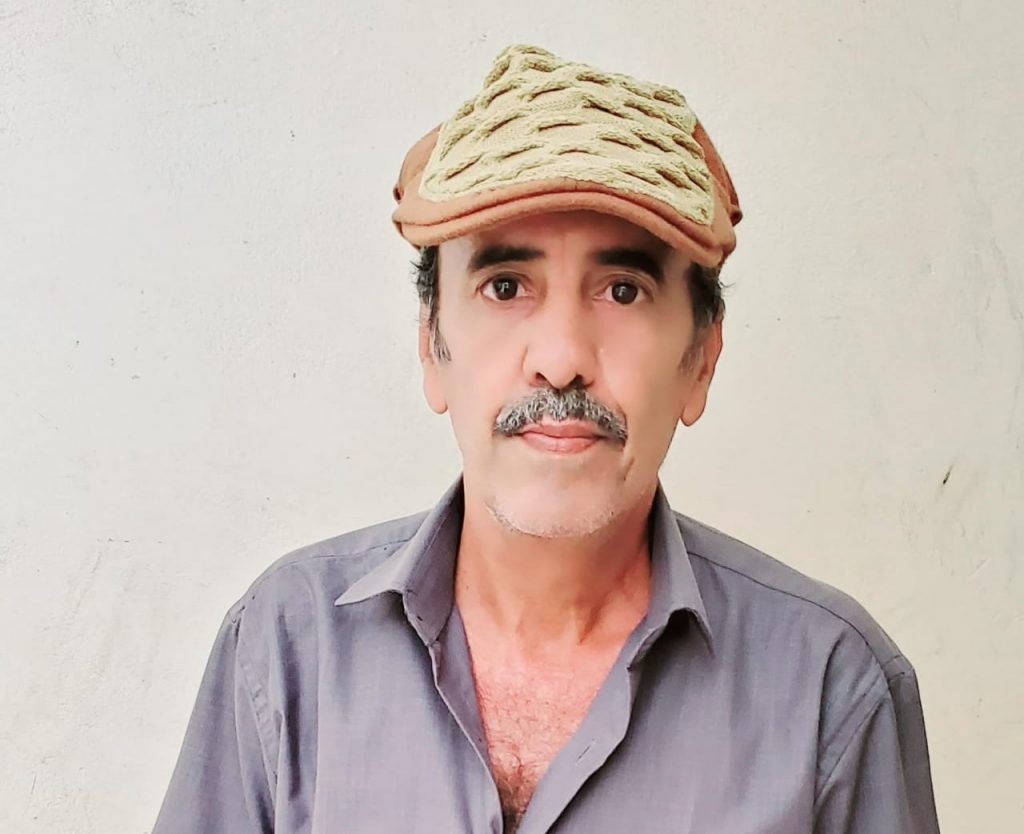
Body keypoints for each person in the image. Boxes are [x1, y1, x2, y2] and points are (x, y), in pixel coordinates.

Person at [153, 44, 941, 834]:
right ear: (431, 346)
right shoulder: (287, 649)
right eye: (505, 286)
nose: (561, 358)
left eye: (623, 290)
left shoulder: (832, 692)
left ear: (701, 358)